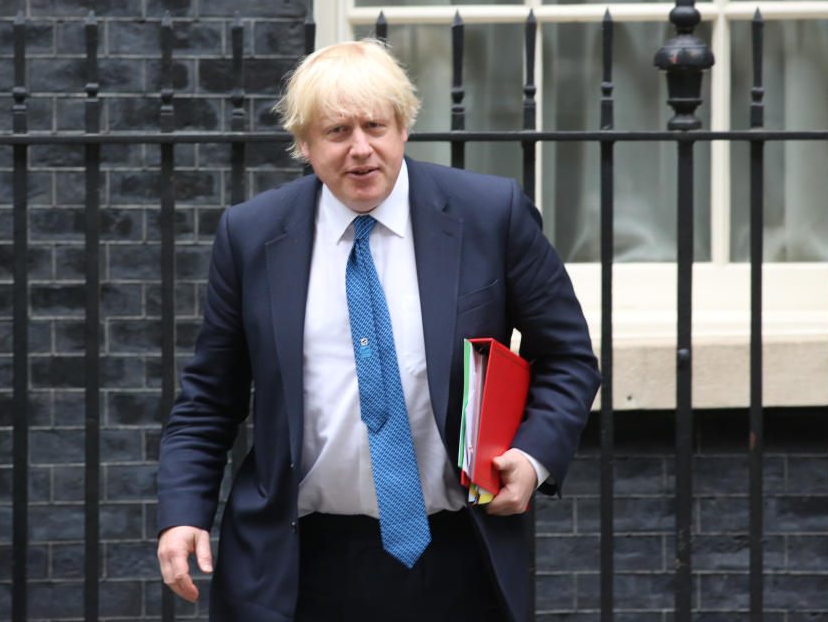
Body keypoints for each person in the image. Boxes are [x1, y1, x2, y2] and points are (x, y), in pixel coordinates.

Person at [157, 38, 600, 622]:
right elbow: (210, 397)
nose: (361, 149)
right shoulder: (251, 235)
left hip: (458, 558)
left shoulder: (491, 214)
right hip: (298, 565)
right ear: (305, 145)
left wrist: (534, 453)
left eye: (375, 126)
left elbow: (568, 358)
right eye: (338, 132)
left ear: (403, 128)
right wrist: (182, 513)